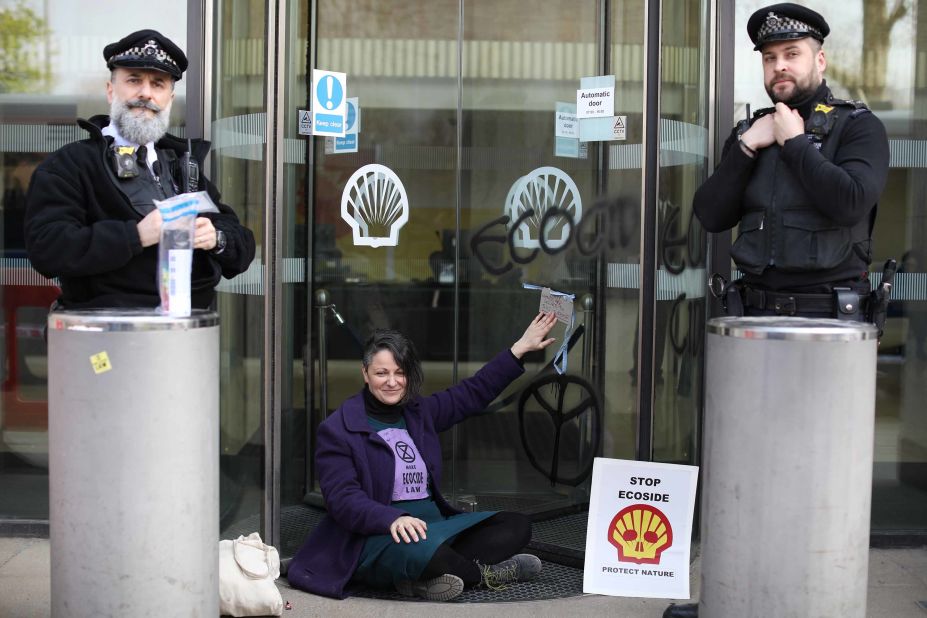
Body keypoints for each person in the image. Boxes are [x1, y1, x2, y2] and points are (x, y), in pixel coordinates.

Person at [287, 312, 558, 601]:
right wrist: (391, 519)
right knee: (427, 552)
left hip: (435, 528)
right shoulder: (339, 428)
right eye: (382, 373)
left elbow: (472, 393)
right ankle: (486, 574)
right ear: (365, 374)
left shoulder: (418, 412)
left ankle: (422, 578)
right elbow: (343, 499)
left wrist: (519, 349)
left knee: (515, 526)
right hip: (379, 536)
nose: (392, 382)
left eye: (400, 372)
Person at [24, 30, 255, 309]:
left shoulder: (183, 166)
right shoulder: (70, 165)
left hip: (188, 333)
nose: (146, 93)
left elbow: (242, 246)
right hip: (105, 334)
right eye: (134, 80)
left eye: (158, 84)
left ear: (168, 99)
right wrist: (135, 235)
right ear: (111, 91)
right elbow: (47, 249)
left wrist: (216, 238)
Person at [694, 3, 890, 322]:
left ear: (820, 60)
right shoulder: (750, 132)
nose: (779, 65)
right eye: (770, 58)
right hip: (754, 313)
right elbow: (711, 215)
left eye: (792, 54)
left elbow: (851, 202)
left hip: (831, 318)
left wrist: (796, 144)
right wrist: (746, 147)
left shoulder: (857, 125)